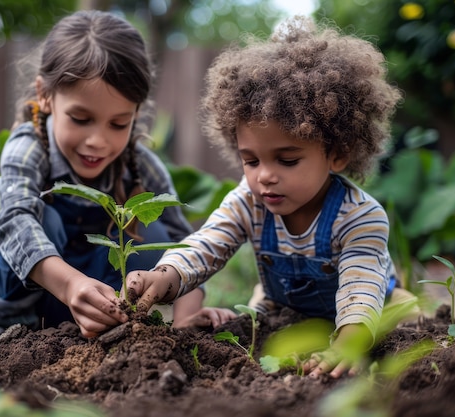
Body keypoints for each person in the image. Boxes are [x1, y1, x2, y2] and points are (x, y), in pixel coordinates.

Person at [125, 16, 418, 378]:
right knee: (257, 324)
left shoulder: (360, 217)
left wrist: (347, 347)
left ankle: (404, 303)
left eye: (287, 159)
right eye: (251, 160)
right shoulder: (249, 201)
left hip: (364, 310)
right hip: (283, 311)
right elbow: (206, 244)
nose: (264, 175)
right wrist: (167, 275)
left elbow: (361, 287)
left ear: (338, 154)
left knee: (401, 319)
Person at [0, 10, 235, 338]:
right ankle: (13, 333)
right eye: (80, 118)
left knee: (156, 231)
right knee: (44, 220)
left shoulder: (141, 164)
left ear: (136, 114)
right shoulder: (29, 147)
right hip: (34, 312)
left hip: (101, 305)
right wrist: (71, 285)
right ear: (45, 95)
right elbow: (15, 221)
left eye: (118, 124)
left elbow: (183, 246)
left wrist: (187, 317)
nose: (98, 141)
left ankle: (129, 327)